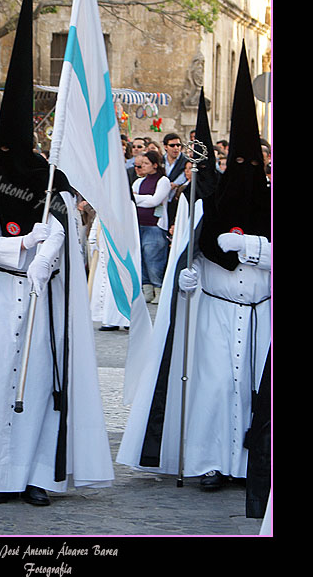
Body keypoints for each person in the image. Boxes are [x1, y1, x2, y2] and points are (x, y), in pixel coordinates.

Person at [0, 0, 114, 506]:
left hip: (43, 301)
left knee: (42, 382)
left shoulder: (49, 178)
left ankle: (40, 474)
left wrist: (51, 246)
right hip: (0, 296)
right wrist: (20, 248)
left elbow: (67, 220)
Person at [118, 48, 270, 512]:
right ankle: (208, 462)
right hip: (216, 314)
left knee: (252, 391)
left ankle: (249, 464)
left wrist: (255, 248)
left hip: (261, 317)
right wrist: (186, 278)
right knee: (214, 385)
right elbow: (196, 251)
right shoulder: (210, 209)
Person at [132, 150, 171, 304]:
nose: (144, 166)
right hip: (139, 223)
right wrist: (144, 199)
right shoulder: (139, 182)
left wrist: (139, 199)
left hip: (155, 225)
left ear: (155, 165)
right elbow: (132, 198)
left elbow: (155, 201)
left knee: (153, 258)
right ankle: (147, 289)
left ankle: (158, 289)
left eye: (147, 163)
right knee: (141, 257)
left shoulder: (163, 181)